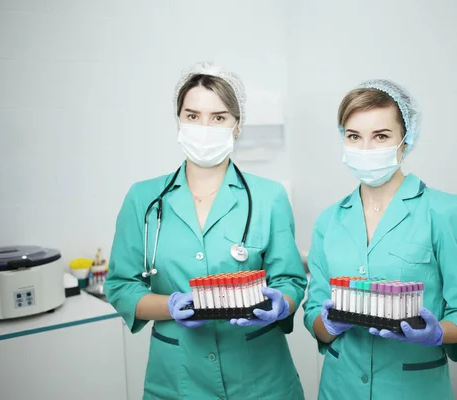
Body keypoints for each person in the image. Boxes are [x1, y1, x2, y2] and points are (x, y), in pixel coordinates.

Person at [105, 61, 307, 400]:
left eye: (219, 117)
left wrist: (282, 305)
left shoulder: (269, 197)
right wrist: (169, 306)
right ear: (179, 121)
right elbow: (121, 285)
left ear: (237, 125)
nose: (204, 127)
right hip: (178, 377)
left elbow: (290, 280)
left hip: (261, 378)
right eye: (193, 115)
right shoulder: (144, 199)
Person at [302, 79, 457, 399]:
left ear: (407, 138)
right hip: (339, 387)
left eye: (381, 136)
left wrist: (436, 334)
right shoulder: (328, 220)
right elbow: (313, 316)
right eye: (354, 136)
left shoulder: (443, 212)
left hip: (411, 387)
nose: (365, 148)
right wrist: (329, 323)